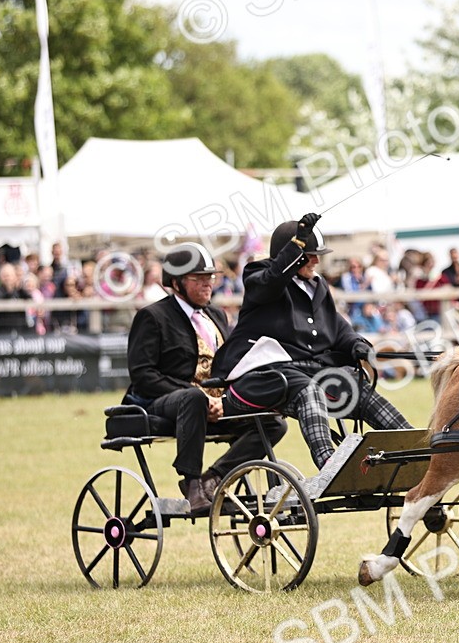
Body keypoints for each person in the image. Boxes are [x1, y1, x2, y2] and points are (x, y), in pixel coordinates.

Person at [212, 214, 411, 490]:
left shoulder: (318, 286)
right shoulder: (259, 276)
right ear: (292, 256)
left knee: (357, 388)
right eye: (311, 255)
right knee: (309, 389)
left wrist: (357, 344)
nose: (317, 261)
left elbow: (338, 328)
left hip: (310, 371)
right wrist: (296, 246)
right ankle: (330, 463)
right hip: (266, 373)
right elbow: (272, 279)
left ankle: (411, 446)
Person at [126, 243, 285, 515]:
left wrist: (230, 398)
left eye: (210, 278)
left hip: (212, 402)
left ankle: (214, 477)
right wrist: (199, 395)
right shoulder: (152, 317)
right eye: (198, 279)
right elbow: (143, 375)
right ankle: (191, 483)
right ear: (176, 283)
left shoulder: (217, 315)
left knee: (273, 422)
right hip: (161, 401)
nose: (207, 285)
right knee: (193, 397)